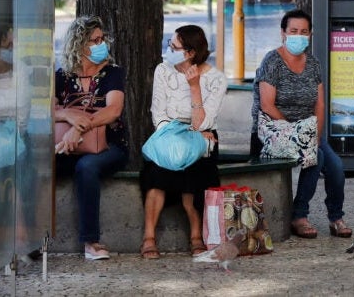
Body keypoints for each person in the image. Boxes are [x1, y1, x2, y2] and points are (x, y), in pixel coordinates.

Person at [250, 9, 352, 239]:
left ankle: (336, 217)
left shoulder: (313, 64)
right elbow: (267, 105)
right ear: (283, 33)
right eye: (293, 31)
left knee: (335, 167)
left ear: (310, 34)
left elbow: (319, 104)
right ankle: (299, 216)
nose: (299, 36)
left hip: (307, 130)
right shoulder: (272, 61)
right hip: (276, 130)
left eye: (304, 32)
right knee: (317, 157)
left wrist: (314, 135)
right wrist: (296, 133)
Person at [140, 25, 226, 259]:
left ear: (190, 52)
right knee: (157, 171)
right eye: (170, 43)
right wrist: (174, 140)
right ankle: (149, 238)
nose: (169, 50)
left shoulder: (216, 79)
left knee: (195, 172)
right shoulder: (163, 71)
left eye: (174, 47)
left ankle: (196, 237)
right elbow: (159, 114)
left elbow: (203, 123)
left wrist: (194, 87)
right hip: (168, 134)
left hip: (201, 136)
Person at [54, 16, 128, 260]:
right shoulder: (62, 76)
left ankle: (90, 242)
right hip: (68, 147)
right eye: (94, 40)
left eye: (102, 39)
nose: (101, 44)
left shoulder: (112, 73)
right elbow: (48, 111)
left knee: (87, 167)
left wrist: (79, 128)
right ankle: (29, 238)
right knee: (37, 166)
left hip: (109, 146)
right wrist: (68, 114)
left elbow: (113, 110)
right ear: (79, 45)